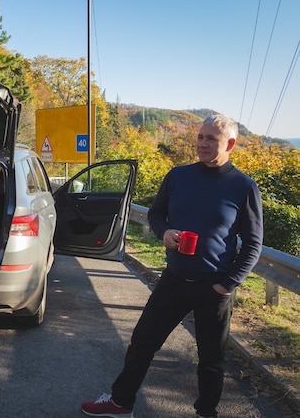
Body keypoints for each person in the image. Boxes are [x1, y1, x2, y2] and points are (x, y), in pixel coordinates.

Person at [81, 114, 263, 418]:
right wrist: (163, 232)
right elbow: (156, 214)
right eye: (200, 137)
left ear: (230, 144)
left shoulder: (243, 187)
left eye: (211, 139)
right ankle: (120, 402)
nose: (202, 144)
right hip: (174, 279)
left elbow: (254, 244)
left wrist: (227, 285)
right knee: (142, 343)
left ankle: (206, 412)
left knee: (210, 359)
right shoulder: (178, 176)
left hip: (214, 287)